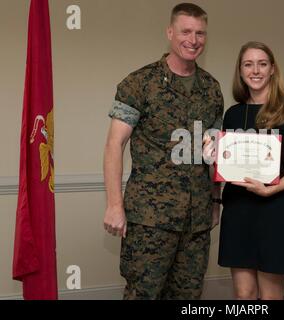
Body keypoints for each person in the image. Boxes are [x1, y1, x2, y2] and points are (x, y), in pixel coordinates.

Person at [103, 3, 224, 300]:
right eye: (185, 31)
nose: (193, 40)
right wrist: (115, 205)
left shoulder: (211, 89)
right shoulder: (140, 83)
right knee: (143, 294)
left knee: (188, 297)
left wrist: (216, 200)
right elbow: (113, 145)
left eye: (200, 33)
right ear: (170, 32)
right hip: (150, 219)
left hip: (196, 221)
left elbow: (214, 153)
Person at [217, 41, 284, 300]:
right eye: (248, 64)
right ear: (240, 71)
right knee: (243, 294)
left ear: (273, 69)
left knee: (271, 295)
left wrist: (271, 189)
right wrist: (211, 153)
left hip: (276, 211)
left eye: (262, 64)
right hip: (238, 210)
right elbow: (225, 164)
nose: (256, 70)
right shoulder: (232, 114)